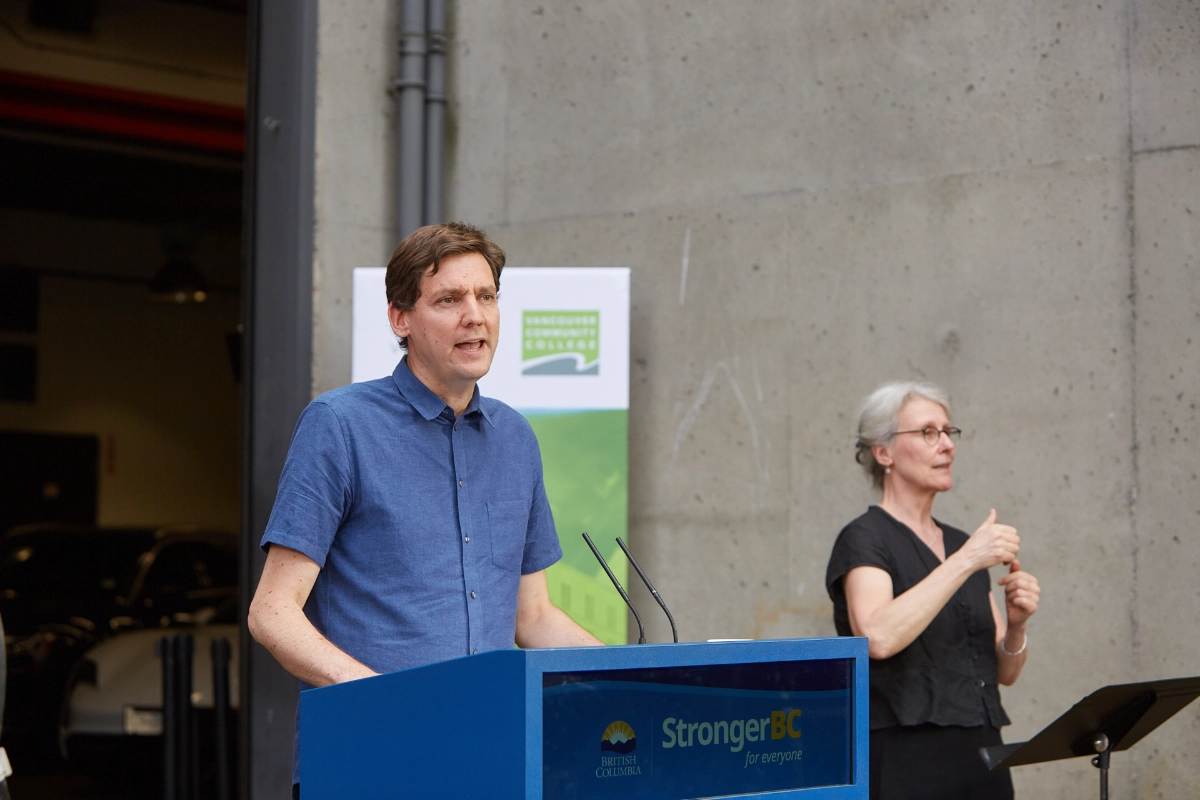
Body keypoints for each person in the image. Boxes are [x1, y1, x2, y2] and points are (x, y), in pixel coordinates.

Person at [247, 222, 603, 797]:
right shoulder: (339, 426)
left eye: (486, 296)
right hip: (370, 762)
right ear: (400, 319)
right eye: (449, 299)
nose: (475, 315)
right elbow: (272, 613)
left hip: (490, 758)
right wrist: (384, 700)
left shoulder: (516, 438)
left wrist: (632, 679)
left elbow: (531, 617)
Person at [825, 382, 1041, 800]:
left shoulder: (963, 543)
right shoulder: (864, 538)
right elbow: (878, 637)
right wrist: (966, 561)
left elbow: (1005, 672)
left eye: (948, 431)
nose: (946, 445)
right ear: (883, 452)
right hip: (909, 758)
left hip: (983, 755)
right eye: (927, 432)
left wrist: (1017, 626)